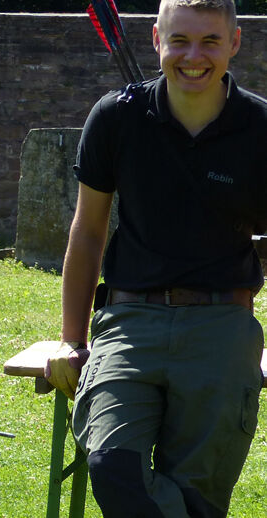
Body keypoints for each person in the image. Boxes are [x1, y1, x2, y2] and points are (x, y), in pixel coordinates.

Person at [47, 1, 265, 515]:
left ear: (234, 42)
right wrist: (71, 338)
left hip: (223, 323)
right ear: (156, 40)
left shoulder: (260, 127)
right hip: (129, 320)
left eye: (211, 41)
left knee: (198, 491)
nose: (194, 56)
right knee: (110, 467)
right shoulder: (117, 116)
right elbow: (88, 232)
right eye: (180, 40)